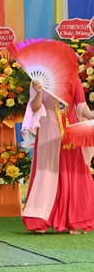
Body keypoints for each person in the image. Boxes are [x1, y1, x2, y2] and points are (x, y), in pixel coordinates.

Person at [21, 76, 94, 234]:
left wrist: (92, 117)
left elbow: (81, 105)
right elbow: (35, 107)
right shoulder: (39, 79)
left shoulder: (73, 79)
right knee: (47, 173)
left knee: (73, 173)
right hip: (48, 132)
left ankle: (74, 221)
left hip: (71, 131)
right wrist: (39, 92)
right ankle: (41, 220)